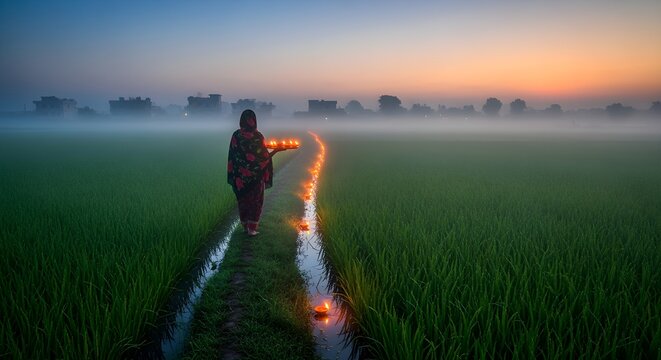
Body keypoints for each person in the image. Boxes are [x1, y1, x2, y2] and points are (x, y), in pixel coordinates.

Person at [227, 109, 284, 236]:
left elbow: (233, 157)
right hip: (254, 177)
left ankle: (246, 227)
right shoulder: (257, 136)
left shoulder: (236, 135)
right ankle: (251, 229)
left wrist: (274, 151)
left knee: (244, 201)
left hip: (239, 177)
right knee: (255, 201)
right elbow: (264, 157)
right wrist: (276, 151)